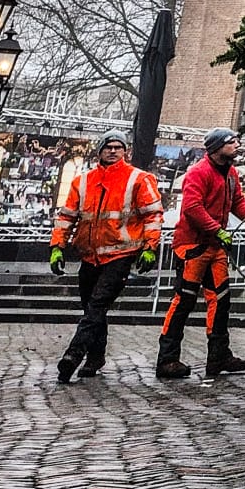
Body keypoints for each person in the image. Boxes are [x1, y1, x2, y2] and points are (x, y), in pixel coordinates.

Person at [155, 128, 245, 380]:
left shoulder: (231, 173)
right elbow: (192, 208)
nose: (237, 145)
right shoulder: (198, 172)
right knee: (184, 301)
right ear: (216, 147)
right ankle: (167, 359)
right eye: (231, 142)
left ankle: (219, 356)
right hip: (193, 247)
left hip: (215, 248)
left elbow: (238, 203)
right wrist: (217, 230)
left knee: (221, 300)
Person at [48, 131, 164, 383]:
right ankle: (96, 357)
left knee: (97, 305)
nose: (112, 151)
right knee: (91, 307)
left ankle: (73, 355)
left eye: (117, 147)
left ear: (125, 151)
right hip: (89, 256)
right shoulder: (82, 182)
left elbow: (153, 215)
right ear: (100, 150)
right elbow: (66, 217)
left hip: (120, 254)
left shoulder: (139, 179)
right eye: (108, 147)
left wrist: (149, 247)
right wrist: (57, 246)